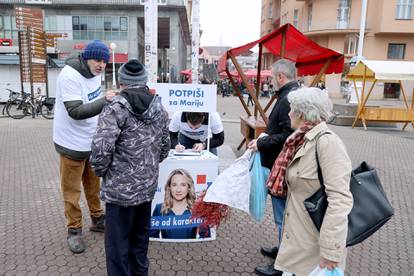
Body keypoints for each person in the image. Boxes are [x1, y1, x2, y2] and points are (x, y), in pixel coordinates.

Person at [90, 59, 170, 276]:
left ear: (122, 82)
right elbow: (165, 148)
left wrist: (102, 172)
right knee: (139, 244)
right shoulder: (159, 109)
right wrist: (147, 170)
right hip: (145, 191)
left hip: (119, 194)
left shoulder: (115, 108)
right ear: (144, 81)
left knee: (117, 249)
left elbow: (100, 149)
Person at [267, 87, 353, 275]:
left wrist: (330, 251)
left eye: (291, 109)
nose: (288, 113)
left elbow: (340, 200)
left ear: (302, 113)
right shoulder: (301, 140)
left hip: (315, 251)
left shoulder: (328, 143)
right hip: (298, 243)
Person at [53, 40, 115, 254]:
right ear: (86, 57)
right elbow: (76, 111)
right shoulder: (69, 76)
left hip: (90, 141)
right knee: (71, 192)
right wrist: (105, 101)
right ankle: (74, 230)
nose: (101, 65)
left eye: (104, 61)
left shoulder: (94, 74)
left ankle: (97, 219)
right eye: (97, 59)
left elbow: (93, 100)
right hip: (71, 143)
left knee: (93, 185)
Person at [248, 59, 298, 276]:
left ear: (280, 77)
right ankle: (283, 251)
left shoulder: (288, 98)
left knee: (283, 217)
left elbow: (289, 135)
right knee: (283, 216)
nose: (270, 81)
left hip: (283, 168)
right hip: (281, 165)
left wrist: (261, 142)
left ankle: (283, 265)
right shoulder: (290, 94)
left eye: (271, 77)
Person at [150, 169, 210, 239]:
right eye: (174, 185)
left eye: (183, 185)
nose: (178, 190)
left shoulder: (198, 209)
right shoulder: (159, 208)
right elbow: (152, 238)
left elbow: (205, 237)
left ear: (189, 188)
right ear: (169, 187)